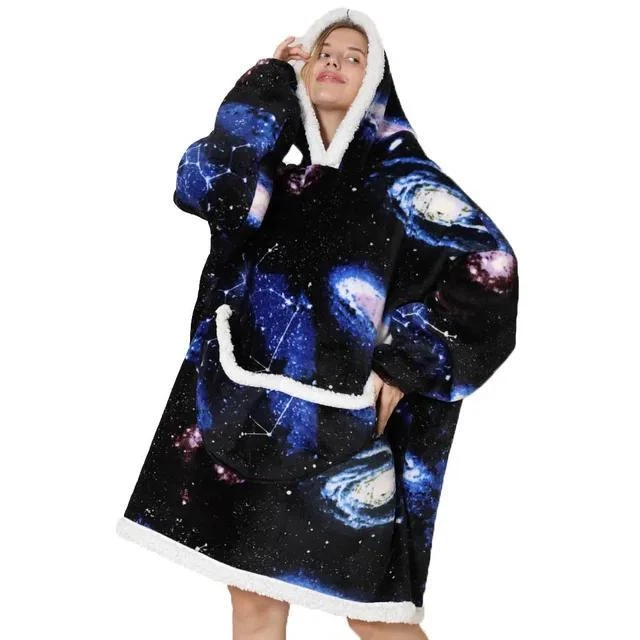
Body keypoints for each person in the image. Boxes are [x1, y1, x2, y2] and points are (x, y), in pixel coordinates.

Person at [116, 8, 519, 640]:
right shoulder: (268, 179)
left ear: (376, 80)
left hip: (349, 430)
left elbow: (489, 267)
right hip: (246, 414)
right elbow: (206, 185)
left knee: (374, 616)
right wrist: (267, 82)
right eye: (323, 50)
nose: (334, 60)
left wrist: (407, 365)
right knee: (253, 605)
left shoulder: (405, 185)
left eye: (355, 56)